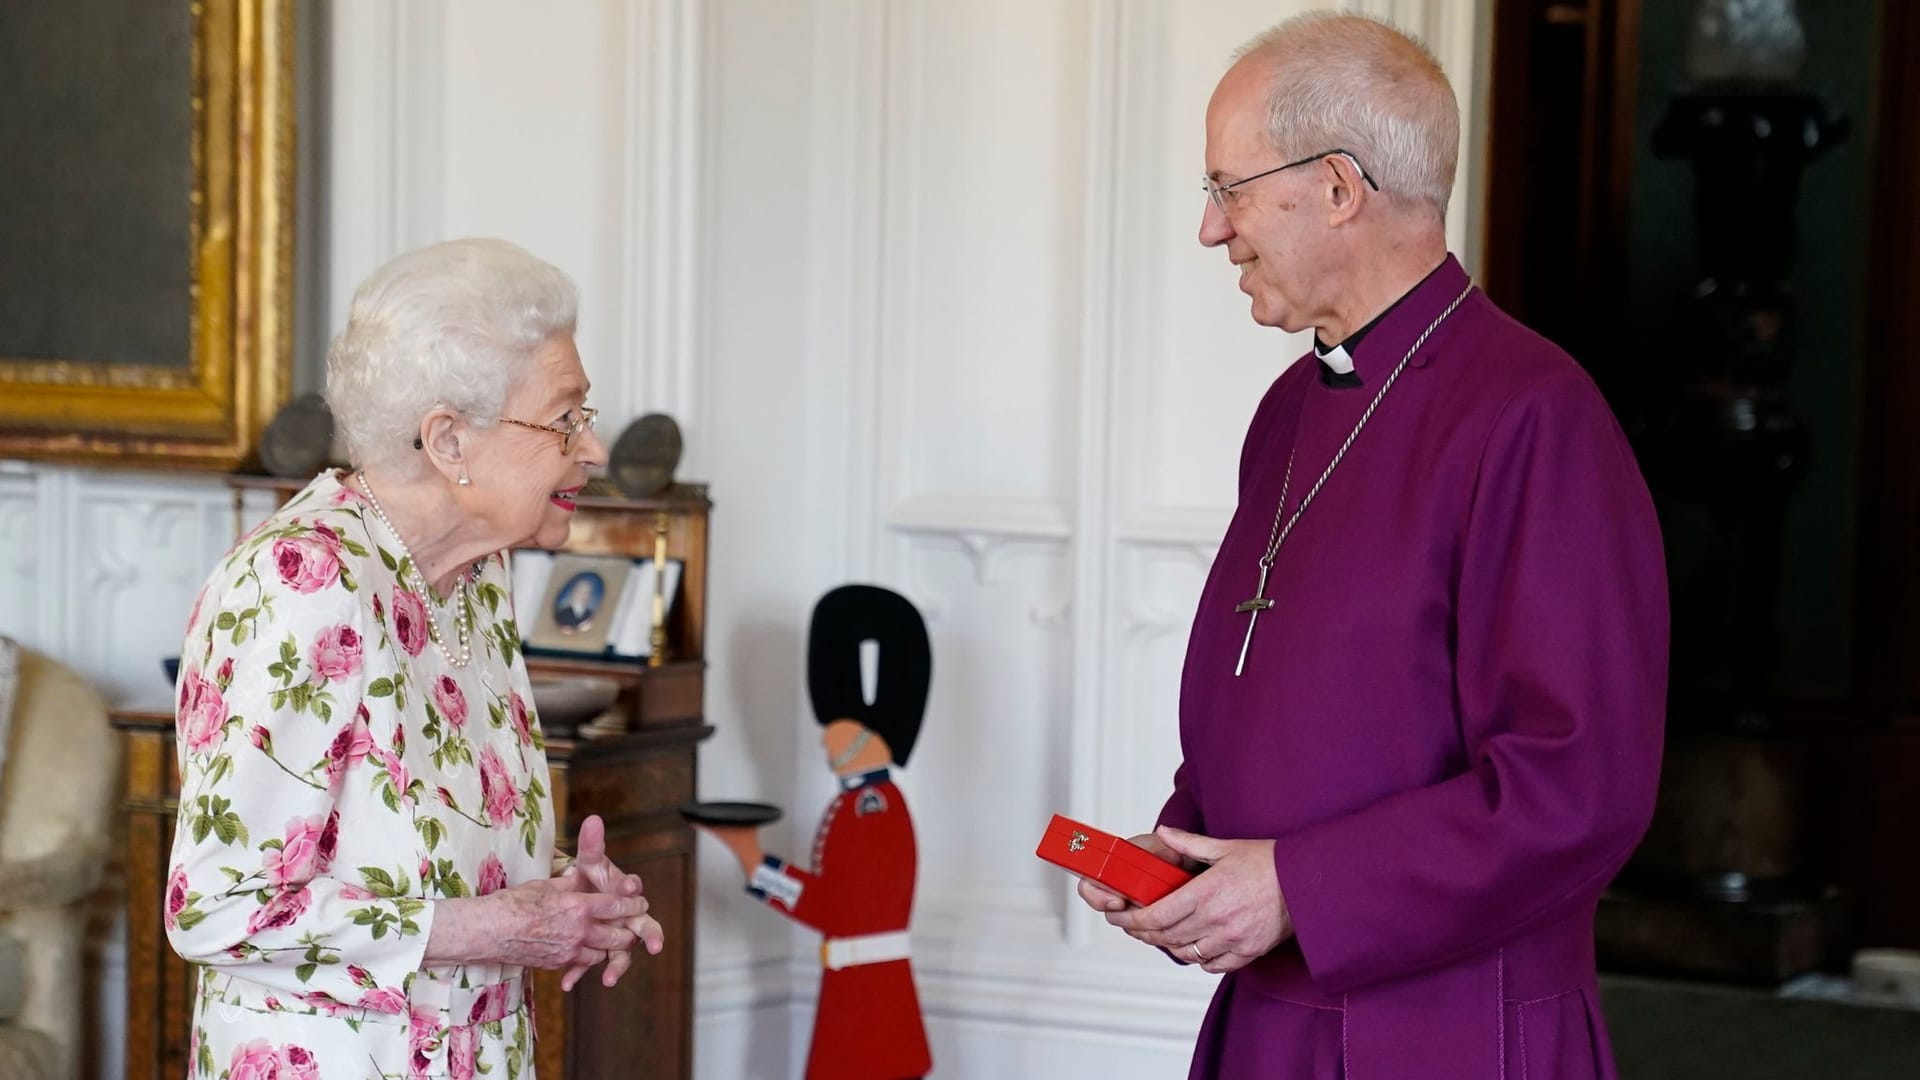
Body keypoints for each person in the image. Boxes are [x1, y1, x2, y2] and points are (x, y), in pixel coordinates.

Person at [1077, 13, 1668, 1079]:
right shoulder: (1289, 408)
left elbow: (1579, 785)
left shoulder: (1538, 415)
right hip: (1270, 1019)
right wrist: (1188, 852)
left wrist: (1300, 887)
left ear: (1340, 188)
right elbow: (1300, 700)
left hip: (1449, 1031)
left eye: (1230, 188)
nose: (1215, 230)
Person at [166, 238, 663, 1079]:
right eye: (567, 416)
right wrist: (500, 929)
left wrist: (561, 899)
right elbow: (216, 906)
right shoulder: (303, 584)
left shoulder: (475, 574)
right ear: (449, 441)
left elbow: (408, 846)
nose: (595, 449)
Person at [695, 585, 934, 1080]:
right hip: (857, 989)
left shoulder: (873, 808)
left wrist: (757, 865)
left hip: (870, 998)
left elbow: (838, 909)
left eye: (839, 727)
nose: (826, 737)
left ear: (870, 737)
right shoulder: (858, 803)